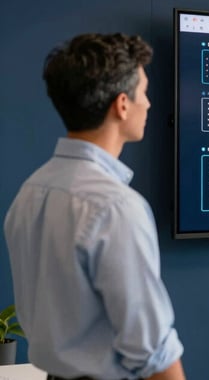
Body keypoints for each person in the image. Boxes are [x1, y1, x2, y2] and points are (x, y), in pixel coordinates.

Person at [4, 34, 186, 380]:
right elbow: (153, 351)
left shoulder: (31, 192)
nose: (148, 103)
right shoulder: (115, 207)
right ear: (121, 104)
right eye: (144, 92)